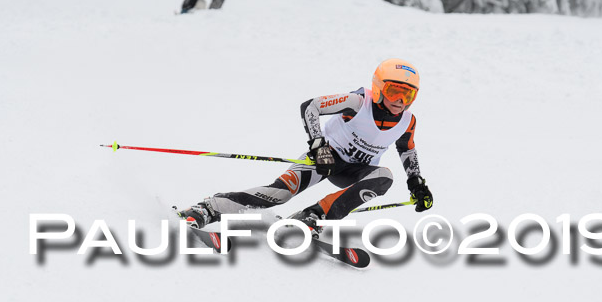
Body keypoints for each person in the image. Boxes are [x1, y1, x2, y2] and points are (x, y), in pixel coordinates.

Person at [178, 58, 434, 235]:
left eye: (408, 95)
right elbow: (311, 106)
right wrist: (318, 145)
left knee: (384, 178)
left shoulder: (408, 122)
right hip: (325, 160)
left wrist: (416, 183)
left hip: (356, 172)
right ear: (379, 88)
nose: (400, 100)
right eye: (393, 91)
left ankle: (313, 217)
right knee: (278, 195)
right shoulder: (358, 102)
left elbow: (407, 149)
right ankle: (209, 208)